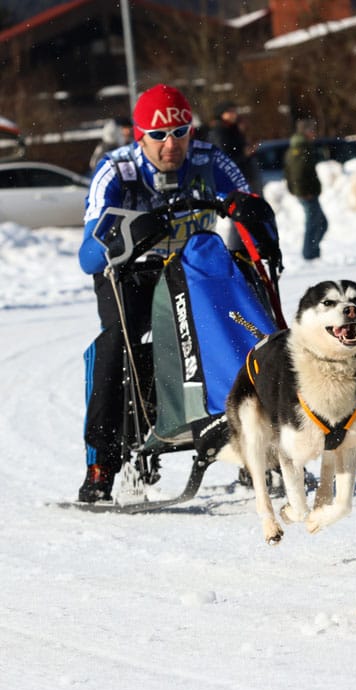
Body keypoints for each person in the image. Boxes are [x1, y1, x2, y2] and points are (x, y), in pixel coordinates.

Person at [77, 84, 259, 502]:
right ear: (138, 136)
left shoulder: (210, 159)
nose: (169, 144)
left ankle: (256, 438)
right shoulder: (117, 170)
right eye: (157, 136)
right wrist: (126, 234)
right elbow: (88, 258)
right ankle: (102, 460)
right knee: (118, 345)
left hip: (194, 270)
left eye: (179, 132)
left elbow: (250, 209)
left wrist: (251, 216)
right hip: (130, 273)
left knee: (245, 328)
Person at [284, 118, 329, 259]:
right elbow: (297, 173)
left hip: (308, 191)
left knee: (320, 223)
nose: (314, 133)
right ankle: (309, 254)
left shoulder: (304, 146)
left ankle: (312, 252)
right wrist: (304, 192)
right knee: (315, 223)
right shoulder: (300, 148)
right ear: (305, 131)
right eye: (312, 130)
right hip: (306, 193)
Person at [208, 100, 261, 192]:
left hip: (244, 175)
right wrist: (244, 154)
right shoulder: (219, 132)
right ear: (221, 114)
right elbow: (223, 159)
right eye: (230, 111)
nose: (234, 114)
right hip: (234, 180)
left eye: (234, 111)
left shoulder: (234, 128)